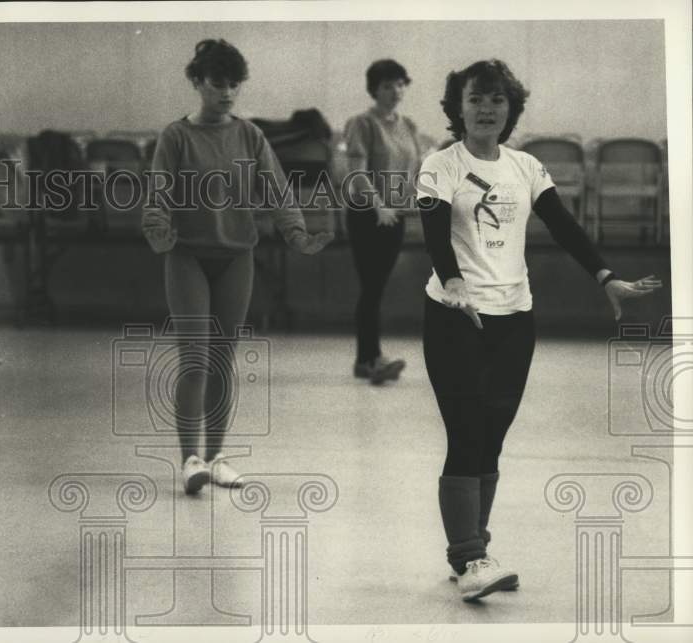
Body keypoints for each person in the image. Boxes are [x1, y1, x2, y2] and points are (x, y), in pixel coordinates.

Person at [416, 59, 661, 601]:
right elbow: (433, 229)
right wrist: (453, 282)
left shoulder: (526, 167)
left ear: (511, 109)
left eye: (497, 100)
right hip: (455, 316)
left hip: (515, 316)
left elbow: (564, 225)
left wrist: (606, 277)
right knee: (466, 431)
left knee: (492, 435)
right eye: (476, 99)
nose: (487, 109)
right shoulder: (440, 164)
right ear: (458, 107)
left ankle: (473, 550)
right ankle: (470, 558)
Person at [142, 39, 332, 495]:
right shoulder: (176, 136)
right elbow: (157, 194)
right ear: (197, 82)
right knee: (195, 358)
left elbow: (278, 190)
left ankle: (216, 457)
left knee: (222, 360)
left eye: (234, 85)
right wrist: (158, 228)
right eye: (217, 84)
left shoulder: (250, 136)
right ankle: (190, 459)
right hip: (187, 256)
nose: (227, 93)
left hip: (236, 258)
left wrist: (297, 233)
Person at [344, 59, 424, 384]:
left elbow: (415, 170)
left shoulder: (409, 125)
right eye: (388, 85)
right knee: (372, 287)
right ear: (374, 90)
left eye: (400, 84)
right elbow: (357, 173)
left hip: (396, 213)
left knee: (376, 287)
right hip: (367, 213)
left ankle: (367, 359)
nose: (396, 91)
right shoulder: (361, 123)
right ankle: (370, 359)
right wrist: (378, 206)